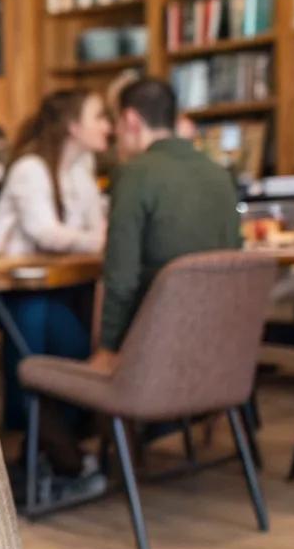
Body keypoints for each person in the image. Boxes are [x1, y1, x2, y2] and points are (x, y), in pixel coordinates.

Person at [0, 89, 111, 462]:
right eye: (99, 116)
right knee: (34, 316)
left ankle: (48, 439)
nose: (108, 126)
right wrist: (92, 239)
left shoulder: (82, 172)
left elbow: (94, 232)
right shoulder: (29, 168)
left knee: (72, 341)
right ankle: (34, 440)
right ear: (73, 126)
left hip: (52, 287)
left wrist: (91, 237)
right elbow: (45, 232)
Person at [92, 76, 241, 366]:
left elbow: (120, 278)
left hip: (153, 357)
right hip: (220, 355)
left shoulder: (134, 174)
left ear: (131, 120)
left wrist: (108, 349)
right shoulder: (220, 174)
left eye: (118, 126)